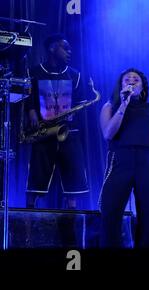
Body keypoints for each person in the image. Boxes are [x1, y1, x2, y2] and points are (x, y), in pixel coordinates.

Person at [99, 68, 149, 248]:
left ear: (142, 87)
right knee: (111, 213)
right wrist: (123, 104)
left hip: (146, 162)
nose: (131, 81)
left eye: (136, 79)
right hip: (119, 160)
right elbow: (108, 134)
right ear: (121, 85)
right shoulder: (110, 106)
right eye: (127, 79)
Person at [25, 34, 89, 209]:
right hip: (43, 131)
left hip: (68, 132)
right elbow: (28, 97)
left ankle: (72, 220)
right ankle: (28, 217)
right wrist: (31, 112)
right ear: (52, 48)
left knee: (72, 177)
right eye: (65, 48)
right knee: (37, 175)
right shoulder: (34, 72)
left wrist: (73, 113)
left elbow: (81, 100)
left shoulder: (74, 75)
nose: (69, 52)